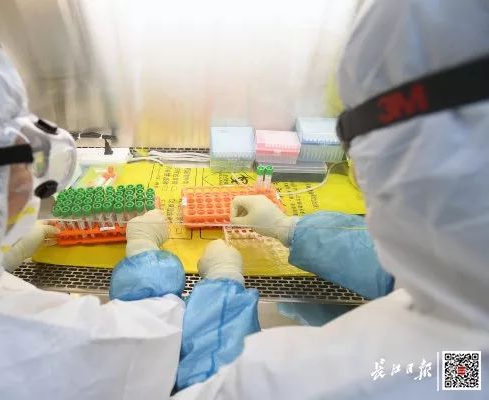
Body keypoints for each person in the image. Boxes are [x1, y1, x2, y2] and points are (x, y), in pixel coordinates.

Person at [172, 0, 489, 397]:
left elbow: (214, 390)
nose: (354, 171)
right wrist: (290, 229)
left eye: (354, 138)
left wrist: (221, 291)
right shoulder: (464, 316)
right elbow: (432, 268)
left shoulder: (359, 379)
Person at [0, 2, 190, 398]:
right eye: (18, 156)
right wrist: (150, 261)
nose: (26, 179)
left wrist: (1, 262)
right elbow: (148, 346)